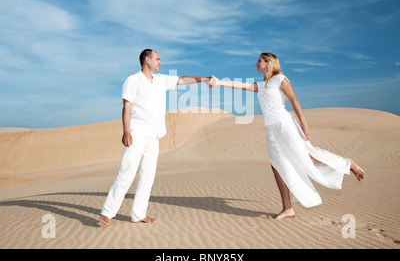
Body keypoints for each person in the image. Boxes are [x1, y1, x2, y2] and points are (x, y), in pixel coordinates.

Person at [209, 52, 365, 219]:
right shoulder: (262, 85)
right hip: (271, 129)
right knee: (276, 166)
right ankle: (287, 208)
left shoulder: (280, 79)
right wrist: (219, 82)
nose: (256, 64)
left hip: (285, 125)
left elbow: (294, 100)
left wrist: (304, 125)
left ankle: (348, 164)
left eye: (259, 61)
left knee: (309, 157)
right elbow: (239, 85)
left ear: (269, 62)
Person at [99, 49, 211, 226]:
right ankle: (107, 212)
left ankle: (138, 214)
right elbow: (127, 107)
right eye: (157, 59)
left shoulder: (161, 80)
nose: (160, 62)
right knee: (126, 174)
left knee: (148, 177)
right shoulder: (132, 81)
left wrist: (203, 79)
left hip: (155, 135)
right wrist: (126, 131)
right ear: (147, 60)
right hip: (136, 134)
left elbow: (182, 80)